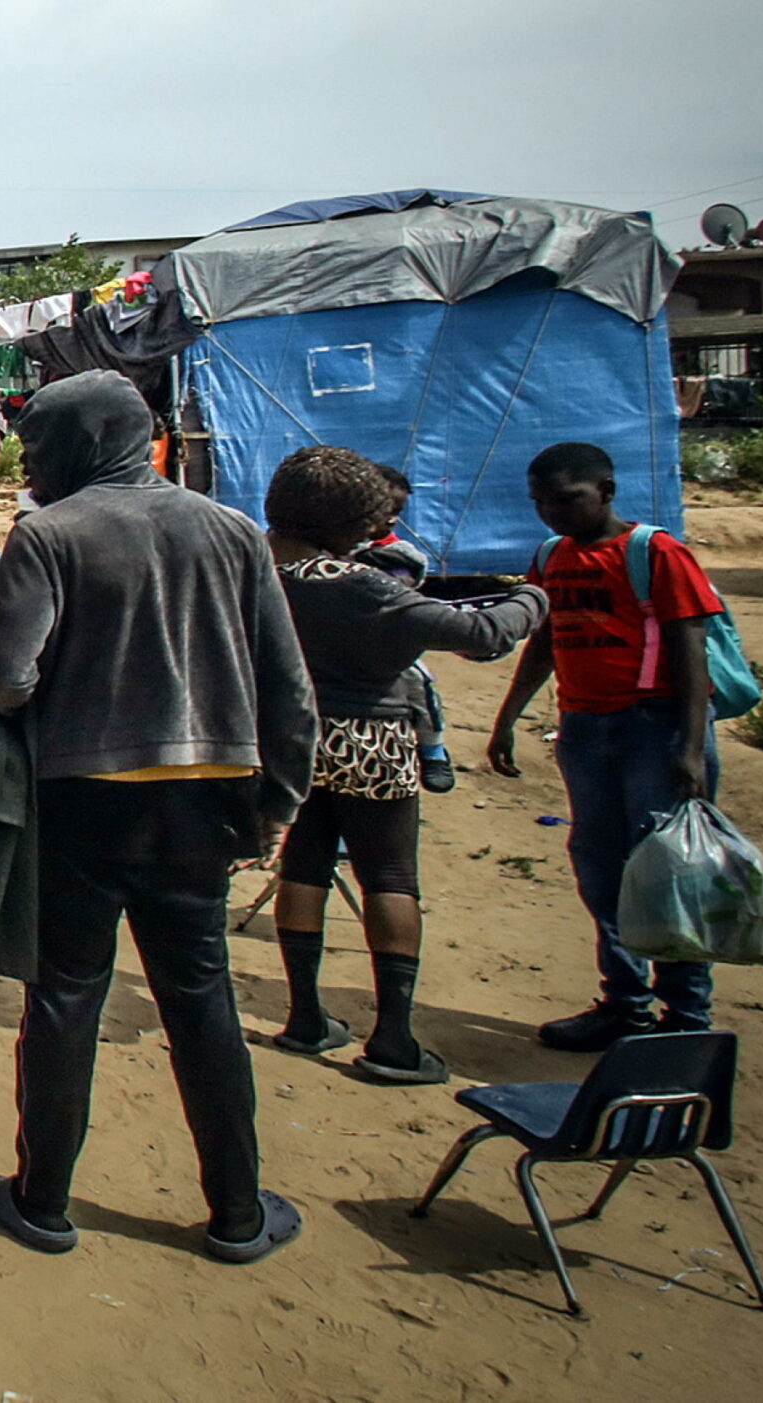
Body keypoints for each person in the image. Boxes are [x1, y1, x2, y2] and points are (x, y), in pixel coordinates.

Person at [0, 372, 316, 1264]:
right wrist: (276, 800)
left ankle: (42, 1200)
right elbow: (288, 688)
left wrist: (36, 702)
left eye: (38, 447)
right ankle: (237, 1211)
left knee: (66, 995)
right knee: (202, 1001)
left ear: (84, 442)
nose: (28, 464)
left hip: (82, 800)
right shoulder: (233, 533)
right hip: (207, 798)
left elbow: (4, 672)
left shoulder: (49, 534)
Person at [261, 448, 548, 1084]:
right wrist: (530, 599)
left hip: (290, 738)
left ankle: (305, 1018)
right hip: (372, 738)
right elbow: (481, 638)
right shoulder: (362, 586)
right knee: (390, 877)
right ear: (356, 522)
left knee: (302, 866)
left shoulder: (256, 570)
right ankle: (393, 1038)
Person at [489, 441, 724, 1049]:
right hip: (584, 730)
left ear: (606, 492)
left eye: (568, 500)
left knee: (666, 874)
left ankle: (687, 1021)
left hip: (653, 726)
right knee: (602, 873)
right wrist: (508, 716)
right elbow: (543, 642)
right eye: (541, 503)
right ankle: (625, 1004)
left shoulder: (656, 554)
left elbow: (690, 653)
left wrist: (690, 749)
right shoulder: (550, 559)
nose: (553, 514)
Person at [354, 465, 456, 794]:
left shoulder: (395, 554)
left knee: (418, 681)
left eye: (397, 512)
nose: (393, 519)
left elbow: (404, 580)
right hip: (340, 641)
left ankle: (433, 748)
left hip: (387, 643)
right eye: (385, 510)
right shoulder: (337, 546)